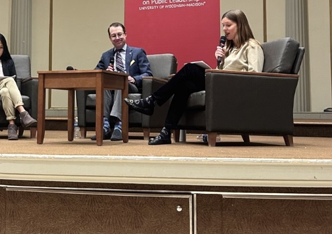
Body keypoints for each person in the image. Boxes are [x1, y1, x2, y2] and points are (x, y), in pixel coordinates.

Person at [125, 9, 264, 145]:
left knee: (190, 69)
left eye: (228, 25)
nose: (224, 29)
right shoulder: (230, 48)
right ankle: (165, 132)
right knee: (184, 87)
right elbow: (224, 71)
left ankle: (151, 101)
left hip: (233, 86)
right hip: (219, 83)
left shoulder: (252, 46)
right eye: (223, 26)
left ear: (240, 25)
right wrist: (221, 62)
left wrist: (225, 74)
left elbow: (255, 75)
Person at [92, 23, 153, 141]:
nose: (117, 38)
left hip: (130, 85)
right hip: (110, 86)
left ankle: (118, 124)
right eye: (113, 36)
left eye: (119, 34)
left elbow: (148, 73)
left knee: (120, 82)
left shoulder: (137, 52)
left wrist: (134, 79)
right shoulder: (106, 55)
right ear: (110, 38)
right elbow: (96, 73)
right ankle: (105, 125)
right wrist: (105, 71)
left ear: (125, 35)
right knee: (104, 82)